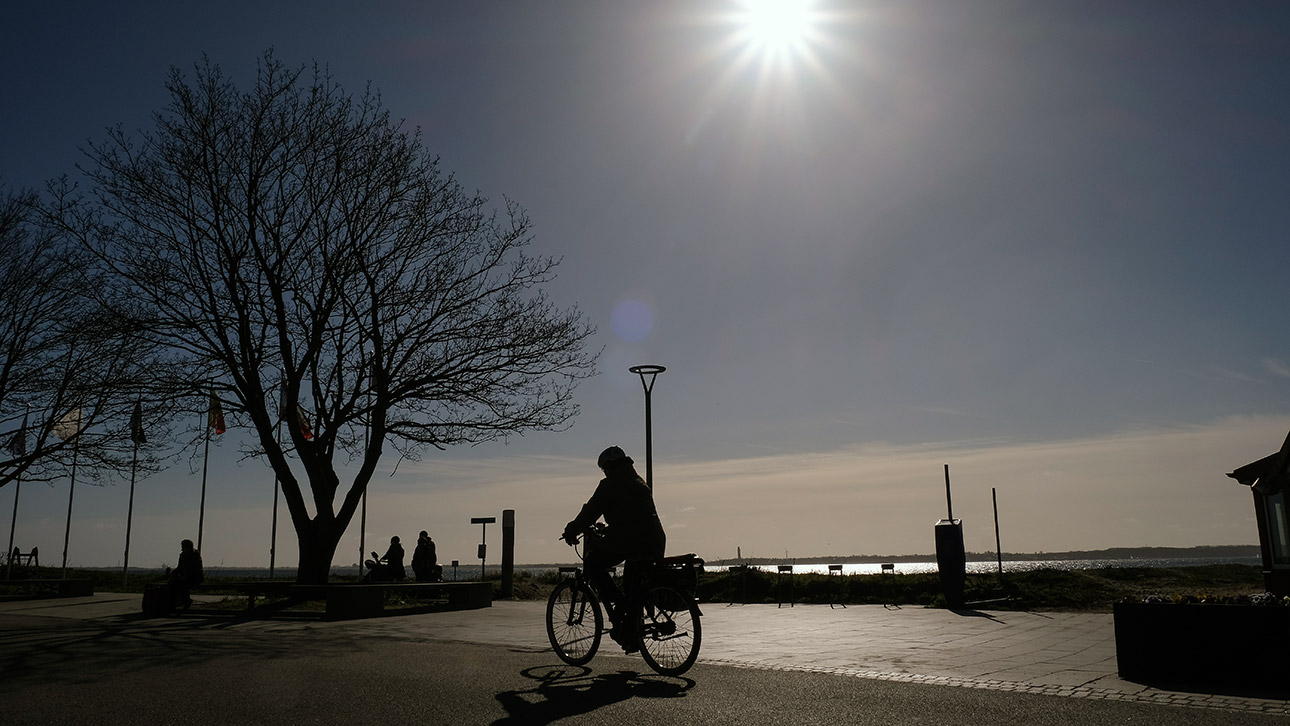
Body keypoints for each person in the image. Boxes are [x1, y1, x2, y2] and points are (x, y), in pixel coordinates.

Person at [563, 445, 666, 652]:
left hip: (630, 540)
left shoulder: (610, 485)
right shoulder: (639, 482)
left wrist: (572, 530)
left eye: (604, 469)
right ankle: (631, 632)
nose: (605, 473)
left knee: (593, 561)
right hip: (655, 540)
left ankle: (619, 605)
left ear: (608, 467)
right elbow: (631, 516)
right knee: (635, 588)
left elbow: (590, 512)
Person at [170, 539, 204, 611]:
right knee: (173, 583)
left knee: (180, 584)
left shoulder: (195, 555)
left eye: (183, 546)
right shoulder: (182, 555)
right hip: (186, 577)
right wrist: (174, 573)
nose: (182, 548)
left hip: (195, 577)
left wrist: (184, 576)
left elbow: (195, 569)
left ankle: (186, 601)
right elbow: (179, 567)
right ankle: (174, 603)